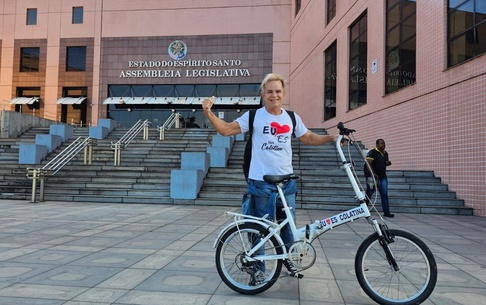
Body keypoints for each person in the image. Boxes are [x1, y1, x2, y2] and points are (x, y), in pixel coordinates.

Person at [202, 73, 336, 284]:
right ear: (263, 94)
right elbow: (226, 130)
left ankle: (288, 260)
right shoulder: (254, 116)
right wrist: (208, 113)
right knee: (260, 230)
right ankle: (258, 269)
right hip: (261, 183)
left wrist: (330, 138)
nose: (275, 95)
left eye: (278, 91)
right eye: (270, 91)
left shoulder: (291, 118)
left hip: (287, 184)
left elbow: (308, 137)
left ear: (283, 94)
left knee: (287, 227)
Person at [364, 139, 394, 217]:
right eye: (381, 144)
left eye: (384, 143)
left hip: (382, 176)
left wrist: (387, 163)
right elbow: (368, 163)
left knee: (384, 193)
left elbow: (383, 163)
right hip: (372, 176)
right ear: (377, 145)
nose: (383, 145)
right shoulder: (372, 153)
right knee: (369, 192)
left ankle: (386, 212)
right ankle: (363, 209)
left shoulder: (385, 153)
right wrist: (373, 173)